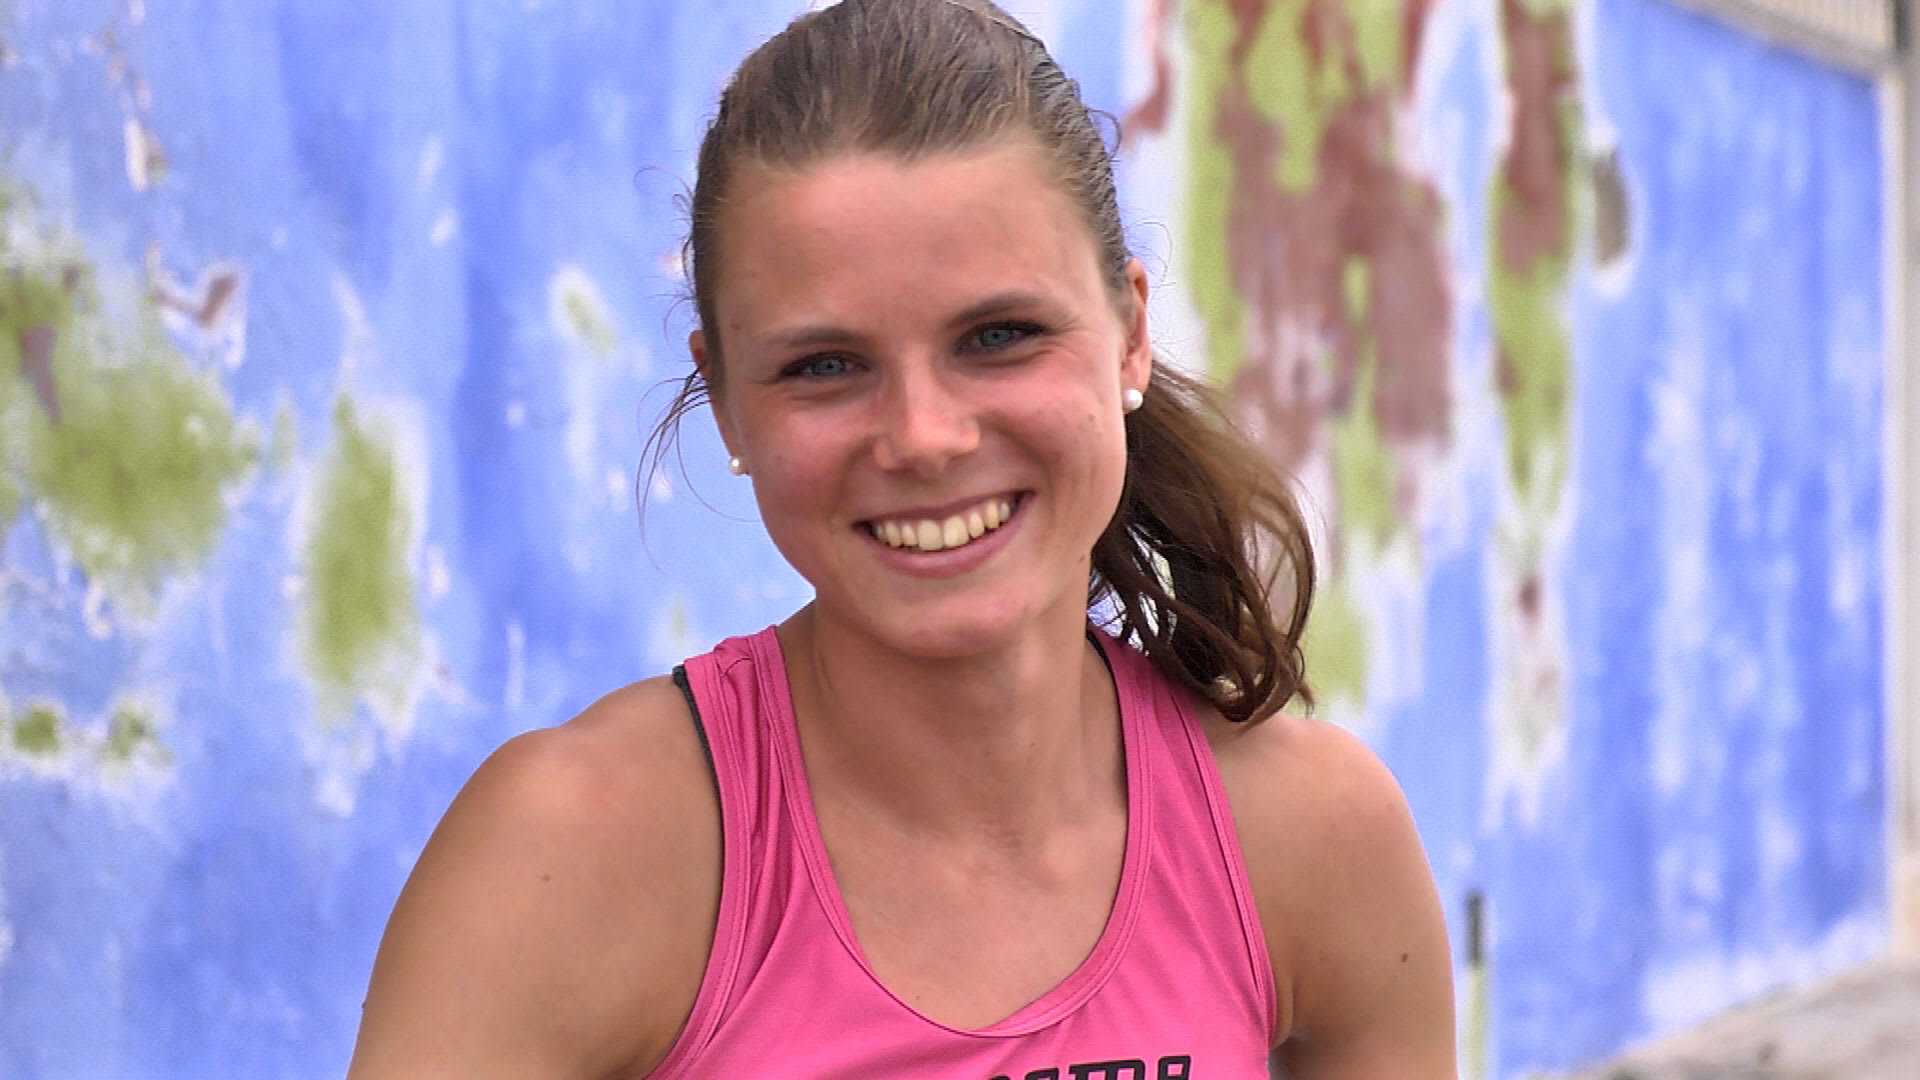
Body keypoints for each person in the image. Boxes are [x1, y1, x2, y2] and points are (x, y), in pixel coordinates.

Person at [347, 1, 1456, 1076]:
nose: (924, 437)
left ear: (1129, 333)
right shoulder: (572, 859)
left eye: (1000, 335)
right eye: (826, 365)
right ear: (724, 400)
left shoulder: (1308, 836)